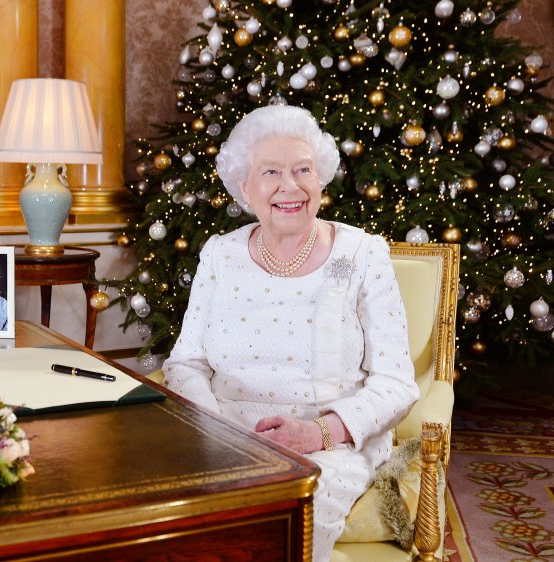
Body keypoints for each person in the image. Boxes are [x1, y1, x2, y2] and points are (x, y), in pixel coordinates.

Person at [161, 105, 419, 561]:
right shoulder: (220, 255)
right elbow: (187, 363)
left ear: (321, 180)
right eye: (271, 172)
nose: (290, 186)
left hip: (326, 446)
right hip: (222, 434)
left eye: (303, 170)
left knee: (284, 519)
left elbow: (396, 381)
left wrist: (319, 433)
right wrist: (215, 432)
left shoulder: (361, 255)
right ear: (244, 187)